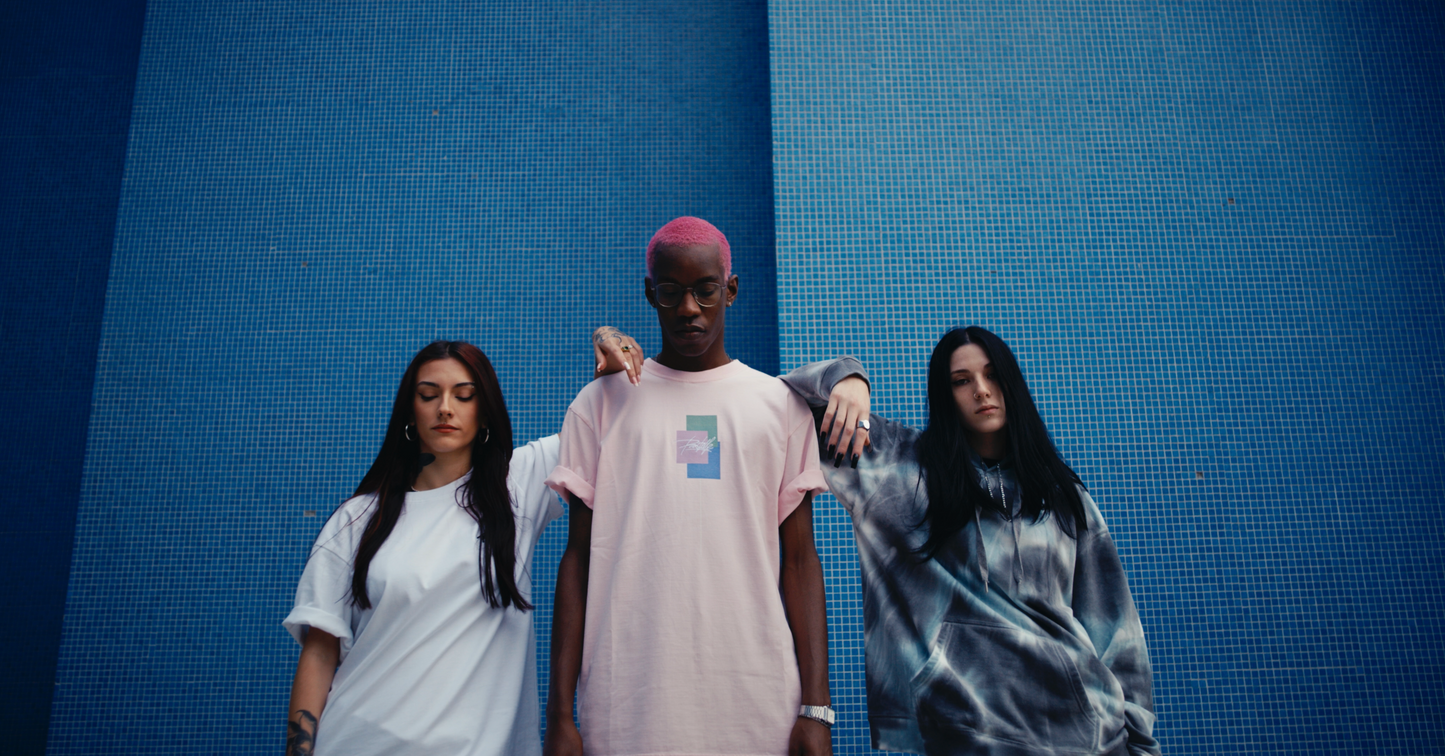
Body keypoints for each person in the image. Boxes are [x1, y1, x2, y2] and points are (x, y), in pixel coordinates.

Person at [781, 327, 1160, 756]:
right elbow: (777, 404)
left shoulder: (1062, 495)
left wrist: (1142, 746)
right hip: (963, 735)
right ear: (945, 395)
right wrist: (847, 378)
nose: (981, 390)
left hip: (1088, 738)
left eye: (992, 375)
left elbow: (1118, 634)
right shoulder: (900, 471)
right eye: (962, 381)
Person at [543, 217, 835, 756]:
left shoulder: (779, 406)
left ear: (731, 289)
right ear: (650, 293)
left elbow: (799, 562)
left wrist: (816, 708)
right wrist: (559, 713)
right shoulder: (601, 404)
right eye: (671, 293)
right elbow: (578, 561)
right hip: (626, 707)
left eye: (705, 290)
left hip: (758, 706)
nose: (688, 309)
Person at [282, 336, 643, 756]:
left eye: (464, 395)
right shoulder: (358, 519)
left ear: (484, 412)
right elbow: (320, 652)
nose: (445, 408)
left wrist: (607, 340)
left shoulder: (518, 487)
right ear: (409, 413)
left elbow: (606, 423)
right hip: (356, 741)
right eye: (428, 395)